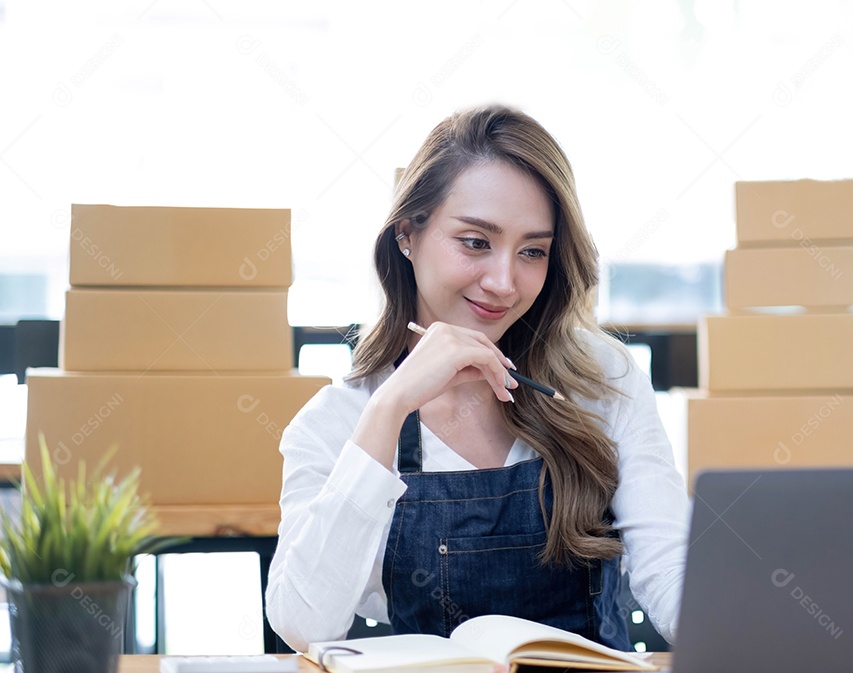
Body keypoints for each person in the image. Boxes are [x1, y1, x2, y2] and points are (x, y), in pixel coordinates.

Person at [266, 105, 688, 653]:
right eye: (475, 242)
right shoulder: (339, 421)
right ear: (406, 235)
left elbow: (672, 573)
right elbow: (302, 624)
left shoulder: (601, 378)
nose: (504, 282)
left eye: (533, 251)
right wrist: (389, 408)